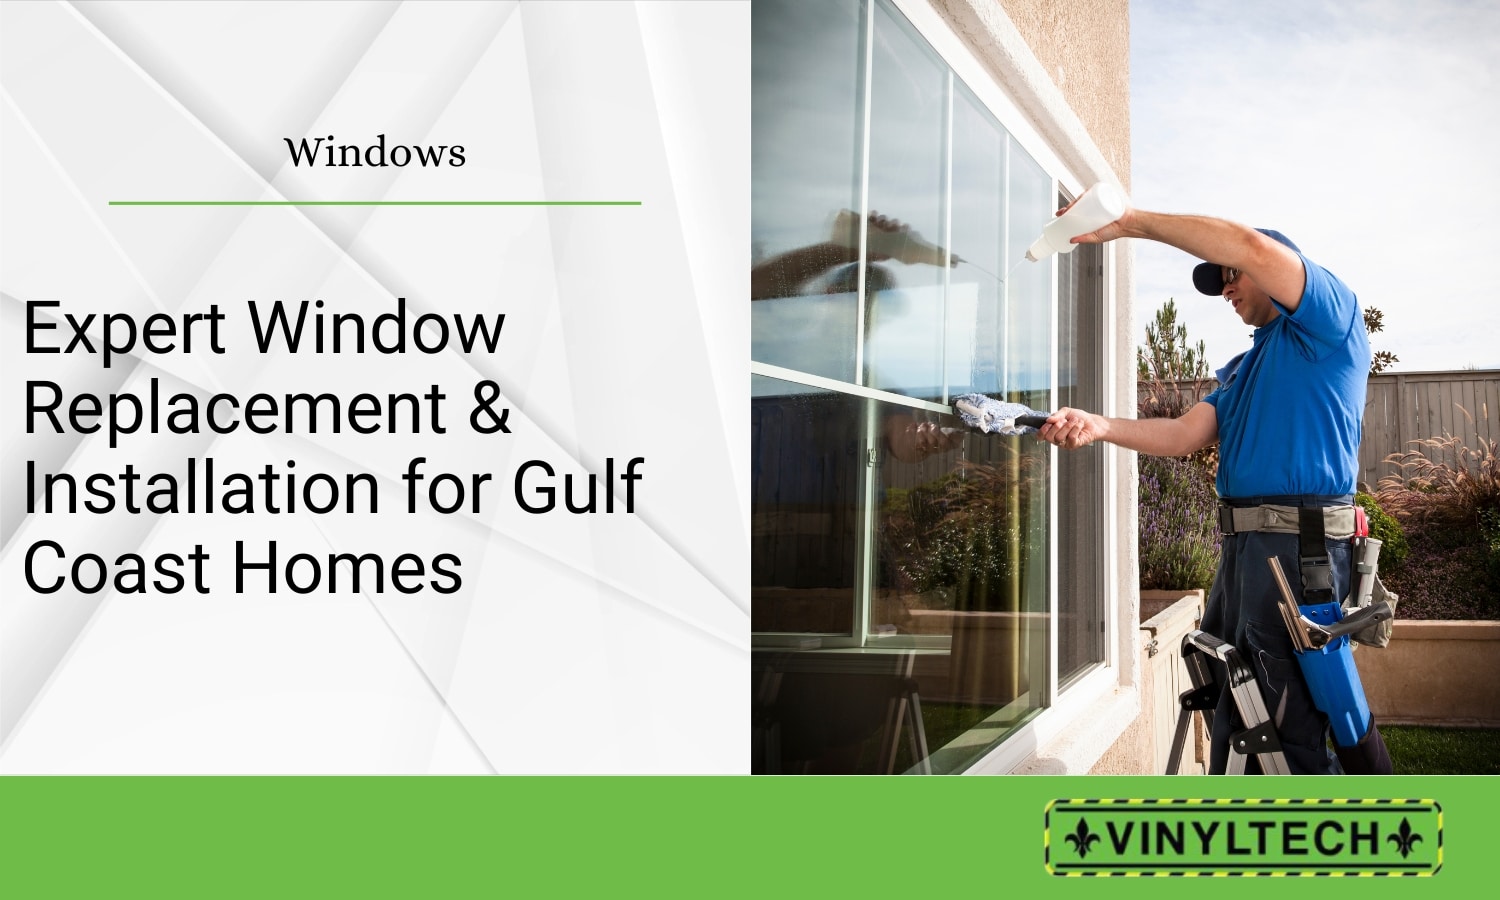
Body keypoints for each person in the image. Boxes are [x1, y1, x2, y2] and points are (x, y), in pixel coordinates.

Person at [1034, 205, 1391, 775]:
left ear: (1272, 271)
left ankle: (1320, 844)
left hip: (1299, 553)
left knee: (1286, 726)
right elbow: (1180, 435)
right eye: (1220, 281)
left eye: (1232, 275)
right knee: (1243, 712)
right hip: (1245, 555)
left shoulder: (1330, 325)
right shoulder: (1244, 369)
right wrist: (1098, 425)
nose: (1226, 288)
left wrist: (1129, 223)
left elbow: (1249, 246)